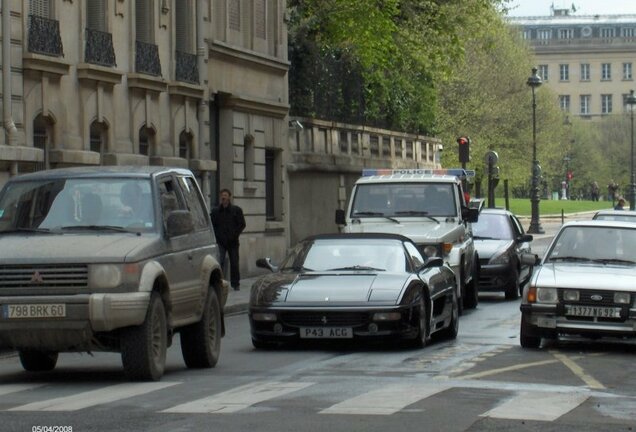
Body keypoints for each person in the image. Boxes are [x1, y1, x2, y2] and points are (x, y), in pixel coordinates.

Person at [210, 189, 246, 290]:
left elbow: (242, 224)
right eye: (222, 195)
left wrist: (235, 235)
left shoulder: (236, 210)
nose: (223, 197)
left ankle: (235, 284)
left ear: (229, 197)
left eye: (225, 195)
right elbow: (212, 225)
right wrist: (217, 236)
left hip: (233, 242)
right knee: (220, 261)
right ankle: (219, 283)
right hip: (221, 242)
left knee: (234, 262)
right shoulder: (216, 211)